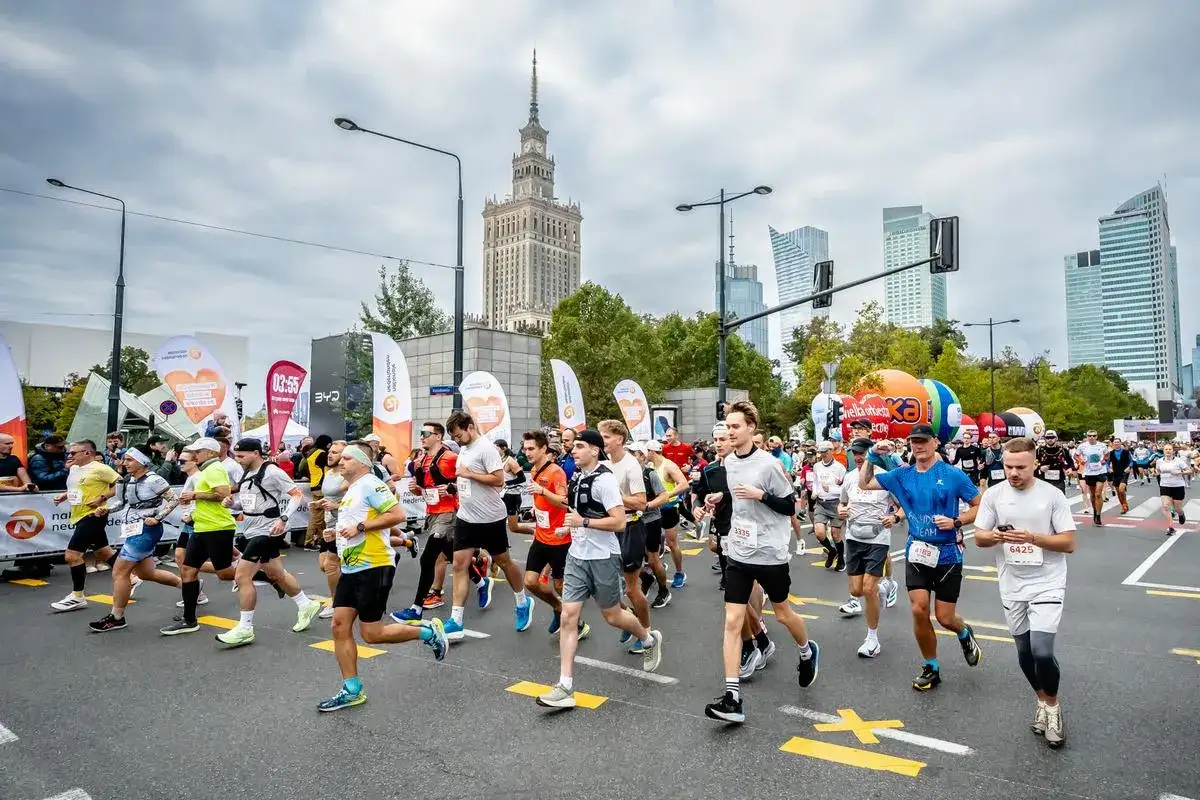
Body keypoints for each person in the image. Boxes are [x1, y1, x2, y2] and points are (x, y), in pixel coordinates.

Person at [704, 401, 818, 724]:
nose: (729, 432)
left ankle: (807, 650)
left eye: (735, 426)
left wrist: (761, 495)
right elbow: (736, 494)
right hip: (740, 551)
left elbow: (789, 505)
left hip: (770, 554)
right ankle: (732, 698)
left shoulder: (768, 465)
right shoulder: (728, 462)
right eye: (727, 427)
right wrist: (720, 498)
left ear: (752, 428)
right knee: (732, 621)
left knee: (782, 613)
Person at [534, 429, 662, 709]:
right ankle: (565, 686)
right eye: (574, 446)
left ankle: (648, 637)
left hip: (603, 557)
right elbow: (576, 513)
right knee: (569, 616)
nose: (574, 450)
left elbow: (618, 522)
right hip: (577, 556)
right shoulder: (578, 476)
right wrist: (565, 528)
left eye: (580, 446)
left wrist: (584, 523)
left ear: (594, 450)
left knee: (613, 616)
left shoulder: (605, 480)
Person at [317, 443, 446, 712]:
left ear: (363, 462)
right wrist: (337, 533)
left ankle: (427, 632)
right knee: (339, 626)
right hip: (351, 568)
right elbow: (355, 523)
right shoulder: (352, 489)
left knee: (372, 635)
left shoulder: (371, 483)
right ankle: (352, 689)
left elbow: (397, 514)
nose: (340, 461)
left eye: (347, 458)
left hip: (374, 566)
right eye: (340, 458)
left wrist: (361, 527)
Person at [858, 423, 983, 691]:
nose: (919, 446)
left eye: (924, 441)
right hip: (917, 551)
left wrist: (957, 522)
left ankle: (964, 632)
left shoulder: (953, 475)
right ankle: (931, 666)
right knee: (918, 609)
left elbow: (978, 506)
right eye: (914, 441)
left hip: (949, 552)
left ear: (935, 443)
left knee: (945, 618)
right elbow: (865, 483)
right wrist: (871, 455)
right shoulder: (902, 475)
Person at [973, 437, 1076, 749]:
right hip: (1012, 583)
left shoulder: (1052, 496)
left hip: (1047, 580)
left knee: (1042, 650)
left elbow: (1069, 543)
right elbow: (978, 537)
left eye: (1020, 467)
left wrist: (1034, 538)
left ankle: (1054, 709)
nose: (1013, 472)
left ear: (1035, 464)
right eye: (1008, 466)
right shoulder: (993, 495)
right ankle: (1041, 701)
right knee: (1024, 653)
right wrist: (993, 537)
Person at [215, 438, 322, 647]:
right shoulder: (247, 472)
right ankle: (305, 604)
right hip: (250, 529)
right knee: (276, 573)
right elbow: (249, 502)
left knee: (242, 576)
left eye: (241, 456)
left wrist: (284, 519)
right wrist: (232, 503)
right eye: (236, 456)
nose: (237, 460)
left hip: (266, 530)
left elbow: (297, 494)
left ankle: (245, 628)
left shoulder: (272, 471)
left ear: (256, 453)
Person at [442, 410, 535, 641]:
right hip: (466, 517)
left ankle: (523, 602)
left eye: (459, 435)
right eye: (453, 437)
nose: (457, 440)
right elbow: (466, 477)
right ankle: (456, 620)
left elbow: (498, 480)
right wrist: (457, 484)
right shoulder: (464, 449)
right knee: (458, 565)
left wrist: (469, 474)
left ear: (470, 427)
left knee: (503, 561)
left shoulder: (486, 449)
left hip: (490, 518)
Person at [87, 445, 184, 632]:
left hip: (147, 531)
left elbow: (174, 500)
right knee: (146, 573)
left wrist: (157, 517)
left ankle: (117, 617)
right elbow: (120, 503)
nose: (125, 463)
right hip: (133, 530)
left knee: (119, 573)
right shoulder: (126, 480)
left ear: (142, 462)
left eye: (130, 460)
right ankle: (191, 587)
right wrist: (106, 509)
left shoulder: (154, 480)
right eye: (125, 459)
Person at [160, 438, 239, 635]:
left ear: (211, 453)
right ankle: (189, 619)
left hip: (217, 527)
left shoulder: (215, 469)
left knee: (224, 573)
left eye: (199, 451)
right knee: (187, 569)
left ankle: (269, 576)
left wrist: (195, 495)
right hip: (201, 526)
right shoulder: (205, 470)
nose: (195, 455)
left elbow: (222, 493)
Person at [837, 437, 902, 657]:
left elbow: (902, 507)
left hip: (878, 539)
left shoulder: (885, 478)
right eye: (855, 453)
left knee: (867, 588)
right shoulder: (849, 478)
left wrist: (894, 518)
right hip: (854, 538)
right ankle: (886, 588)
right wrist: (841, 510)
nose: (858, 457)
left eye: (863, 453)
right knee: (856, 590)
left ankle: (872, 640)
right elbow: (842, 502)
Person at [393, 422, 458, 620]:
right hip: (431, 512)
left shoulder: (451, 457)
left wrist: (452, 488)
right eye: (421, 434)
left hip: (449, 512)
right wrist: (417, 489)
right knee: (450, 554)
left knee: (427, 558)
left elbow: (468, 482)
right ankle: (480, 581)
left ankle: (416, 609)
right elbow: (425, 489)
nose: (421, 437)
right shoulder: (421, 460)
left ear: (438, 436)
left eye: (425, 433)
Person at [49, 440, 121, 612]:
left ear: (87, 453)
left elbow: (121, 485)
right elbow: (78, 487)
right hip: (79, 515)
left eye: (73, 453)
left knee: (72, 556)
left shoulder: (100, 468)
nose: (69, 455)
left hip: (94, 515)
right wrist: (65, 496)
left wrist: (102, 497)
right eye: (69, 452)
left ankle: (77, 596)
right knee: (103, 552)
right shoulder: (74, 469)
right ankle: (131, 577)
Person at [1155, 442, 1190, 536]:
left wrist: (1179, 473)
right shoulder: (1159, 461)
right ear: (1163, 451)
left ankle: (1181, 514)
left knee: (1177, 508)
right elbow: (1157, 471)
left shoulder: (1179, 461)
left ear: (1173, 451)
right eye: (1166, 449)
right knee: (1166, 506)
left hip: (1178, 486)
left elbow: (1189, 470)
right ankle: (1171, 527)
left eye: (1170, 449)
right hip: (1165, 485)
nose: (1168, 451)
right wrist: (1155, 473)